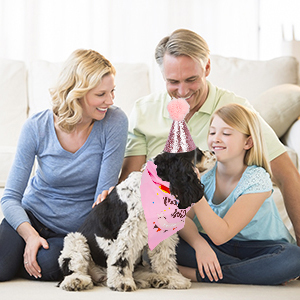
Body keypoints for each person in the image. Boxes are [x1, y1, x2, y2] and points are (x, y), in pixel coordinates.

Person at [117, 29, 300, 246]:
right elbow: (130, 181)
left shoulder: (235, 109)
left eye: (191, 79)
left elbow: (286, 175)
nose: (182, 91)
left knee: (285, 259)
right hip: (175, 237)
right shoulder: (144, 111)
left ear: (207, 67)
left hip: (230, 236)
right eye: (173, 81)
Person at [0, 49, 128, 282]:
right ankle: (19, 253)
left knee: (49, 266)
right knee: (1, 268)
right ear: (76, 93)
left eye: (112, 92)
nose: (109, 101)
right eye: (101, 94)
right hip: (33, 216)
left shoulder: (114, 122)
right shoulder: (36, 127)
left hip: (73, 232)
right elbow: (9, 197)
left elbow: (102, 199)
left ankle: (24, 258)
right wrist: (29, 236)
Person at [176, 103, 300, 285]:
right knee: (163, 240)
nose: (216, 139)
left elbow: (221, 233)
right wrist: (200, 245)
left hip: (261, 248)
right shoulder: (207, 178)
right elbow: (182, 220)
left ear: (248, 142)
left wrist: (195, 191)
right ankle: (257, 272)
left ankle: (199, 274)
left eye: (226, 133)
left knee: (294, 258)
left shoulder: (257, 179)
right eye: (212, 132)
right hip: (219, 248)